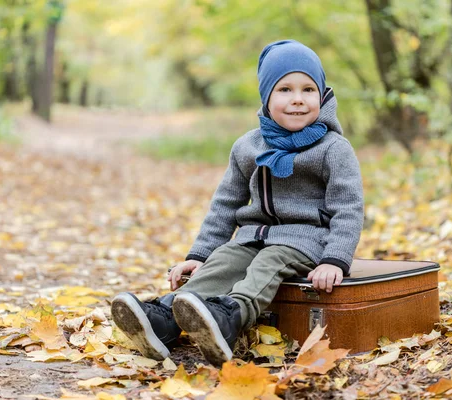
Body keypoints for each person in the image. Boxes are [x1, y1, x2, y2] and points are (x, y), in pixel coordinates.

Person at [111, 39, 364, 367]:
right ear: (266, 96)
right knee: (224, 260)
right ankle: (164, 321)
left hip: (306, 242)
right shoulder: (248, 146)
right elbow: (225, 204)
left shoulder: (333, 149)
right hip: (252, 237)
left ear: (322, 95)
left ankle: (230, 317)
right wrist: (199, 255)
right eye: (285, 90)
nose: (298, 100)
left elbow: (348, 207)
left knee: (268, 262)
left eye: (308, 90)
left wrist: (335, 260)